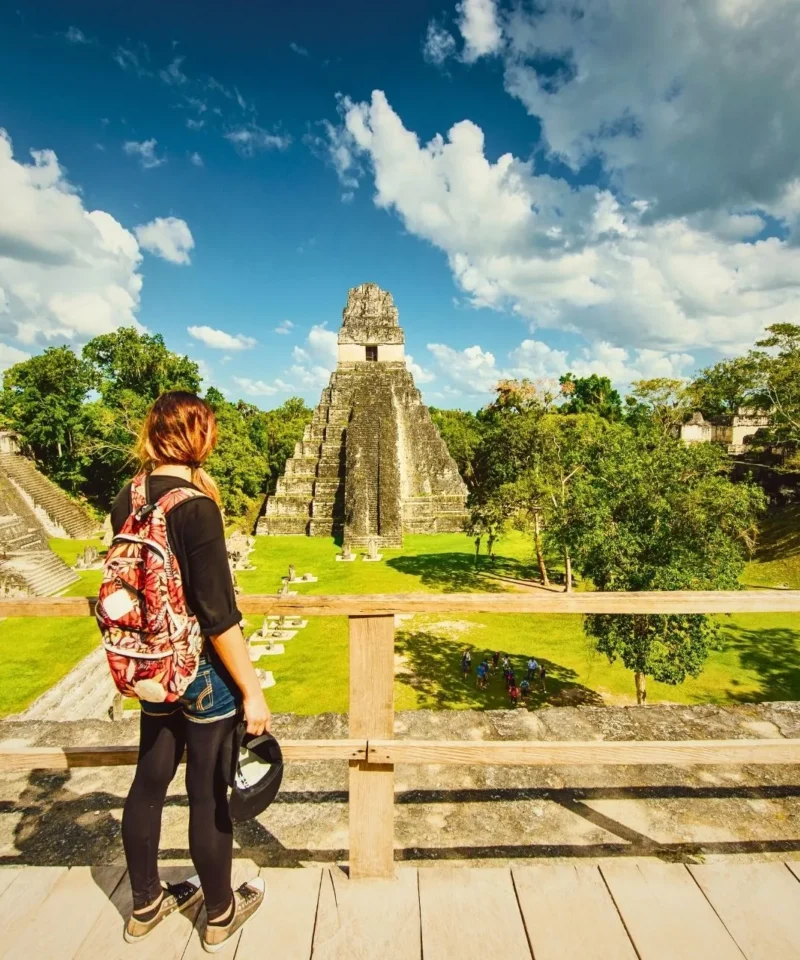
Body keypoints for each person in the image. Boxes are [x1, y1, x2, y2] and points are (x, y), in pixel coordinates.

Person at [112, 392, 270, 951]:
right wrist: (252, 691)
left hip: (151, 667)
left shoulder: (128, 497)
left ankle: (145, 905)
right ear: (199, 435)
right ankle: (221, 913)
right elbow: (219, 617)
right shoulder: (196, 508)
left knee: (148, 782)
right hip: (200, 671)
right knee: (207, 793)